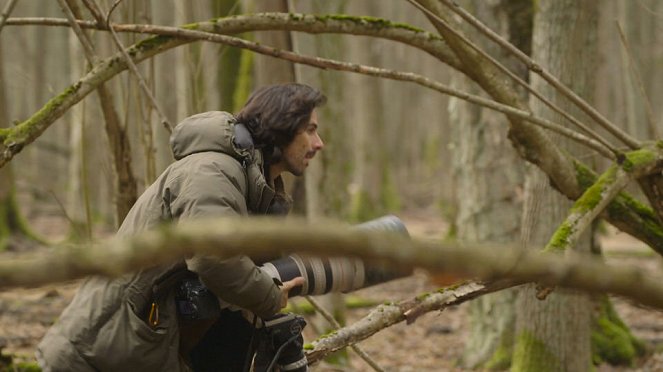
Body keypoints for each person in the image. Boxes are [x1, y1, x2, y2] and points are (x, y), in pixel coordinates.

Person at [36, 83, 326, 371]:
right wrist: (269, 296)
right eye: (310, 130)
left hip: (138, 348)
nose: (318, 143)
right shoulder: (211, 171)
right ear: (281, 127)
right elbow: (215, 259)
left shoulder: (252, 186)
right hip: (96, 354)